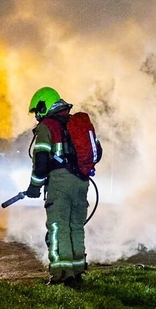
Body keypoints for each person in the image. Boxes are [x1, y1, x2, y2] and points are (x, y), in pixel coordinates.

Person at [24, 86, 100, 287]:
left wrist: (34, 187)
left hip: (60, 183)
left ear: (44, 105)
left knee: (58, 227)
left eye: (37, 110)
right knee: (76, 226)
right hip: (82, 181)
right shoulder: (76, 123)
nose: (37, 115)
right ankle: (77, 270)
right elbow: (97, 153)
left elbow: (40, 161)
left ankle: (62, 274)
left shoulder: (47, 126)